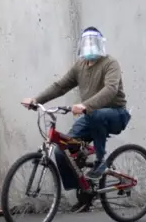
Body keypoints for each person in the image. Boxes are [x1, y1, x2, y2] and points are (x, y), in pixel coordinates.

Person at [21, 27, 131, 210]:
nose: (89, 48)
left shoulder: (111, 63)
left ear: (101, 44)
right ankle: (84, 192)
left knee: (95, 114)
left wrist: (86, 106)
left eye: (93, 43)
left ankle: (100, 162)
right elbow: (60, 86)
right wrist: (36, 100)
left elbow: (110, 89)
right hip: (91, 116)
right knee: (61, 150)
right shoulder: (80, 66)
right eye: (86, 44)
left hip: (115, 114)